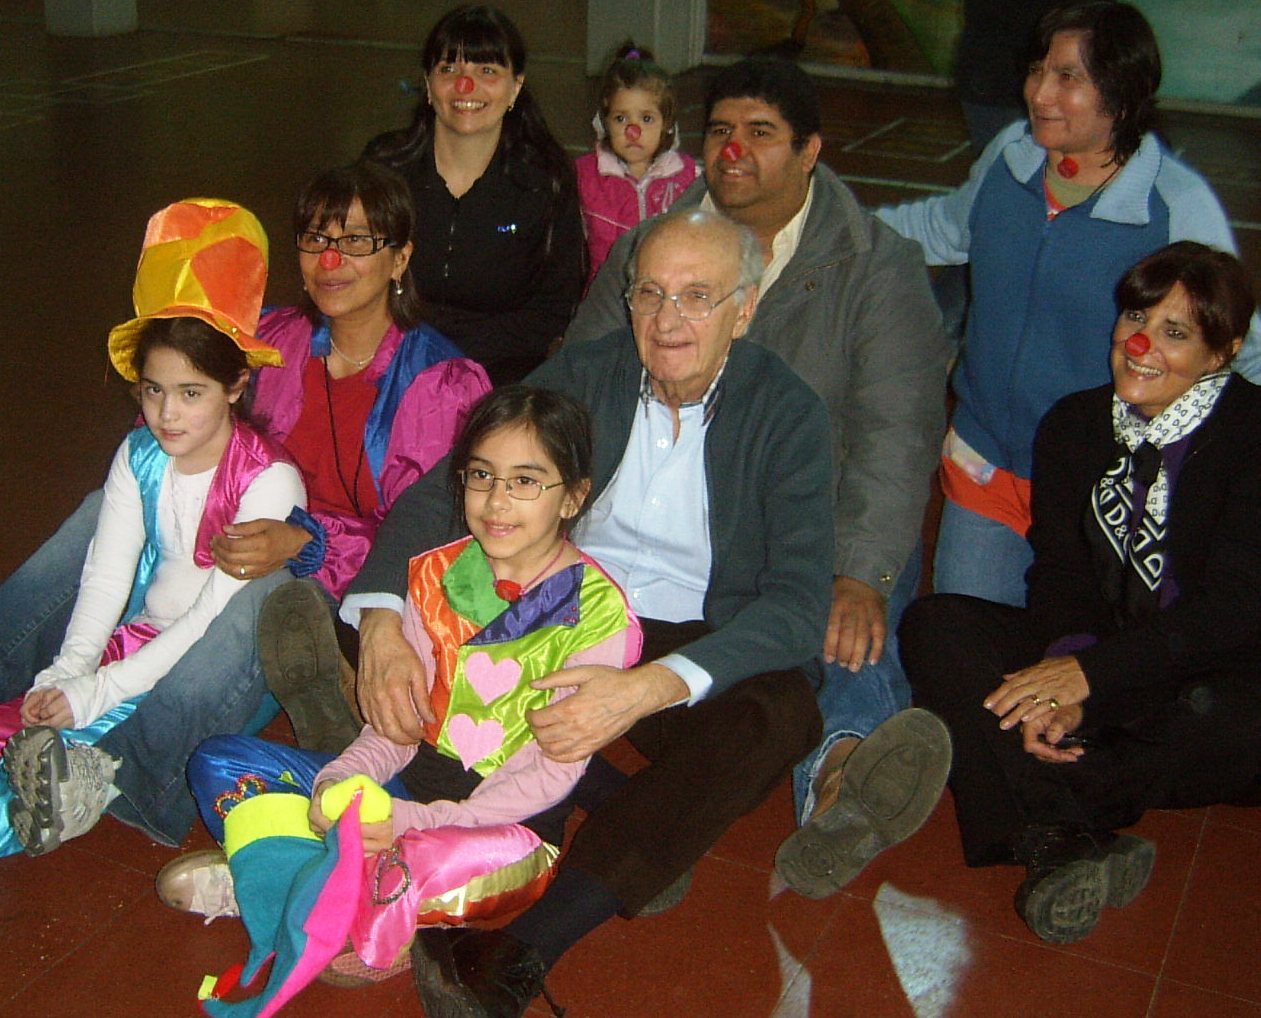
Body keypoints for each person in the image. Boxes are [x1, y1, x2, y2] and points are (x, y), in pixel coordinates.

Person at [344, 209, 833, 1016]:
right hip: (558, 605)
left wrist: (643, 689)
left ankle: (522, 948)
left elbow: (797, 602)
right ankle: (611, 802)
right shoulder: (585, 373)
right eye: (649, 293)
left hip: (694, 631)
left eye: (697, 296)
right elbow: (448, 489)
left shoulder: (788, 414)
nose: (667, 320)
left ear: (744, 309)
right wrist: (377, 624)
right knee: (412, 621)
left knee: (777, 716)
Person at [0, 167, 488, 848]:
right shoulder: (271, 341)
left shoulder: (440, 384)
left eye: (355, 241)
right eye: (316, 238)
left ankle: (113, 777)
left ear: (400, 257)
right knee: (99, 509)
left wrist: (306, 542)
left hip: (330, 591)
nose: (329, 261)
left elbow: (427, 541)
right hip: (218, 536)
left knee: (262, 590)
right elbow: (178, 423)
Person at [564, 56, 953, 899]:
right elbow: (575, 380)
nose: (733, 150)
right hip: (674, 511)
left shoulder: (874, 266)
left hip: (816, 513)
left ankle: (840, 781)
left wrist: (860, 572)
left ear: (809, 151)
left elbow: (895, 433)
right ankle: (660, 822)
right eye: (719, 131)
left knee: (841, 627)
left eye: (761, 133)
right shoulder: (655, 248)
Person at [156, 386, 641, 1006]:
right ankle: (319, 888)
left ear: (573, 496)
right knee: (219, 761)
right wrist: (341, 779)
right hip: (404, 792)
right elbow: (393, 728)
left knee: (414, 864)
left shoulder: (599, 617)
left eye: (526, 481)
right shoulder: (434, 574)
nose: (496, 501)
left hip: (497, 831)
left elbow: (549, 777)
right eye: (481, 476)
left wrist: (411, 822)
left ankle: (285, 877)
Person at [901, 242, 1261, 944]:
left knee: (1236, 725)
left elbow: (1231, 612)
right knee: (936, 626)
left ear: (1222, 352)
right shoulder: (1074, 424)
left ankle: (1048, 817)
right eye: (1135, 317)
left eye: (1174, 332)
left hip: (1215, 674)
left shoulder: (1251, 436)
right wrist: (1062, 674)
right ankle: (1067, 836)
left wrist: (1089, 677)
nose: (1139, 345)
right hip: (1108, 655)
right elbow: (1060, 572)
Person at [876, 0, 1261, 607]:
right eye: (1038, 70)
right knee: (963, 641)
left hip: (1104, 496)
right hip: (986, 469)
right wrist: (815, 226)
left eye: (1067, 77)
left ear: (1121, 94)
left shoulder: (1175, 207)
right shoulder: (1010, 157)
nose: (1039, 93)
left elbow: (1239, 347)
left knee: (1071, 653)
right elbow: (943, 228)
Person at [0, 199, 307, 857]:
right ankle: (61, 759)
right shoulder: (140, 453)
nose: (167, 414)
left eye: (191, 393)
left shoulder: (268, 481)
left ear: (236, 385)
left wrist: (97, 692)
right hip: (137, 639)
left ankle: (106, 781)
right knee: (34, 717)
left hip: (210, 668)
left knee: (99, 727)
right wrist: (69, 669)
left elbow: (205, 623)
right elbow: (107, 573)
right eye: (152, 390)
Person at [364, 4, 585, 385]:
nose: (465, 86)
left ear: (515, 86)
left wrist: (450, 355)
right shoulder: (385, 168)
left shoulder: (544, 181)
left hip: (498, 375)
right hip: (389, 362)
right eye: (449, 69)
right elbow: (355, 271)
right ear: (428, 84)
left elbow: (553, 308)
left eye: (487, 71)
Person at [575, 42, 698, 286]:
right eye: (621, 118)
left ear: (666, 123)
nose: (633, 130)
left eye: (647, 118)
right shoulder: (583, 176)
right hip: (605, 297)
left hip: (667, 293)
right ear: (605, 121)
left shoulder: (690, 178)